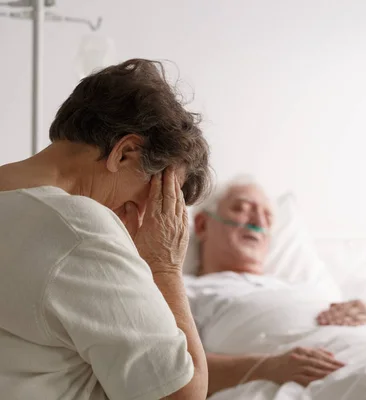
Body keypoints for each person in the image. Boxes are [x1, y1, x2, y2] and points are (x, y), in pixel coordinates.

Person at [0, 59, 210, 400]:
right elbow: (181, 394)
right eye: (156, 199)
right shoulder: (80, 231)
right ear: (125, 153)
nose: (143, 220)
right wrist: (164, 267)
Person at [187, 177, 366, 397]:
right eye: (242, 208)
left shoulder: (307, 287)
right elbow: (170, 370)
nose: (258, 222)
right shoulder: (188, 292)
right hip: (336, 382)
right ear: (202, 225)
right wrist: (267, 367)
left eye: (268, 217)